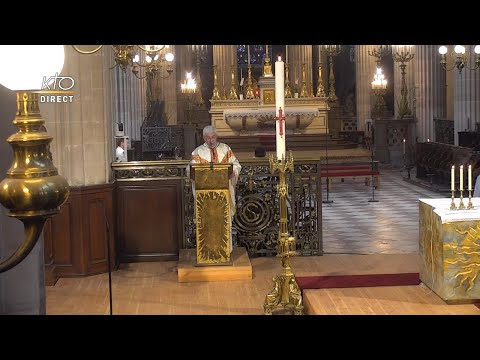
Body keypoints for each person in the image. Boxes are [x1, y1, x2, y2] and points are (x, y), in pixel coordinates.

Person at [189, 125, 241, 252]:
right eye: (208, 138)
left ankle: (225, 250)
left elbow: (236, 165)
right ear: (203, 138)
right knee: (207, 222)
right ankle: (207, 250)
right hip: (205, 197)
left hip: (224, 192)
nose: (210, 140)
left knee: (224, 220)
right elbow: (190, 170)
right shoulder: (197, 152)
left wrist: (233, 171)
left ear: (216, 136)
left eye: (212, 137)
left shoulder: (225, 149)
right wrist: (191, 172)